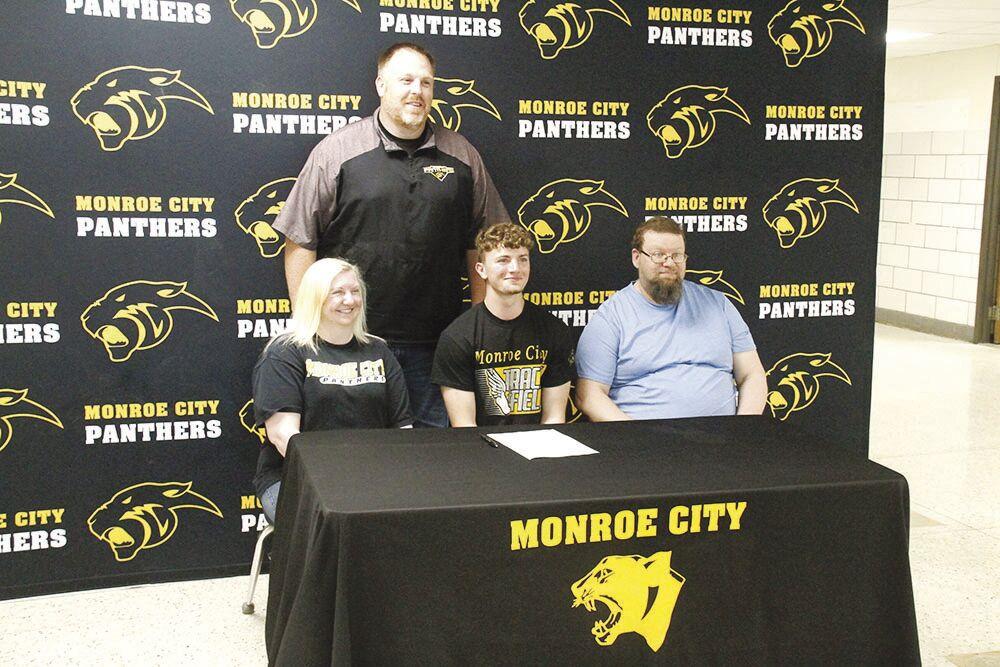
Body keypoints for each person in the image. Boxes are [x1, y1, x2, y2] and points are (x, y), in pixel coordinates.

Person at [272, 42, 511, 428]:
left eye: (426, 83)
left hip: (436, 345)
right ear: (381, 85)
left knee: (432, 466)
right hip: (352, 342)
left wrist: (476, 321)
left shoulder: (463, 155)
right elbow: (300, 239)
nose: (417, 91)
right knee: (354, 461)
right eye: (406, 80)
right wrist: (309, 322)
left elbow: (486, 243)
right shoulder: (337, 152)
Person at [252, 258, 412, 522]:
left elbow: (403, 431)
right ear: (315, 298)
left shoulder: (379, 351)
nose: (349, 300)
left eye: (355, 291)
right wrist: (335, 484)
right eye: (337, 292)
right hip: (295, 481)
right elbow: (284, 437)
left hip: (372, 478)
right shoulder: (285, 353)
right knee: (337, 524)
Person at [575, 216, 767, 420]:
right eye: (658, 255)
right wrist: (635, 437)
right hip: (645, 443)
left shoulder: (719, 305)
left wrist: (744, 427)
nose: (668, 263)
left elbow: (752, 374)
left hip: (723, 440)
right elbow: (589, 395)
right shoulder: (611, 316)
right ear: (636, 258)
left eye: (677, 255)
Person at [431, 223, 573, 426]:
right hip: (483, 450)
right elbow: (464, 427)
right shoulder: (457, 337)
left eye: (522, 259)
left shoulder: (554, 330)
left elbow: (554, 418)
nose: (515, 268)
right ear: (481, 270)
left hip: (539, 448)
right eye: (503, 260)